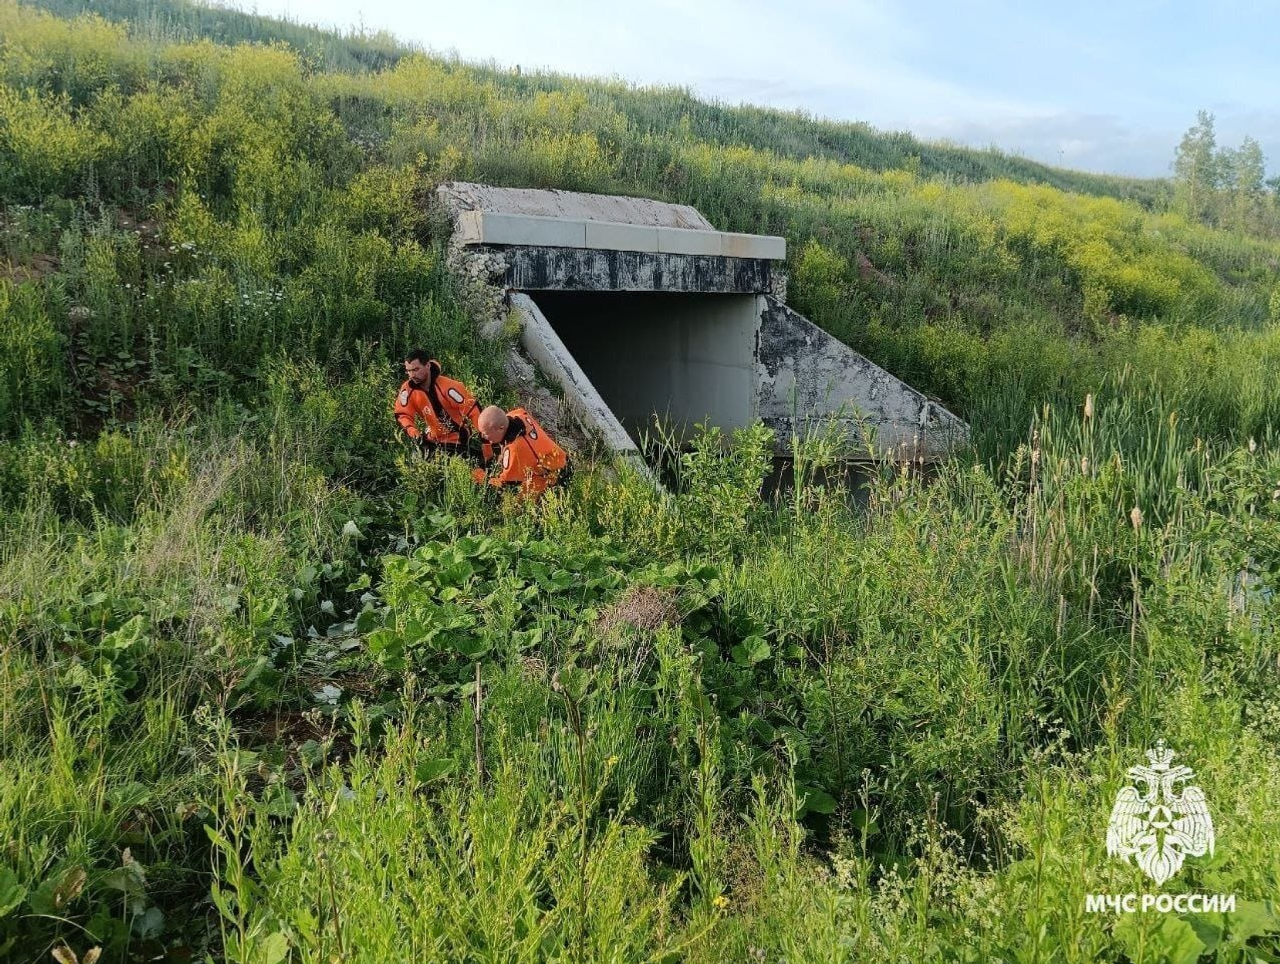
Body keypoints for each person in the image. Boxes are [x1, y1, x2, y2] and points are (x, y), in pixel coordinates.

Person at [394, 350, 482, 458]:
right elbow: (402, 415)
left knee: (472, 469)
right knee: (416, 464)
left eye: (416, 370)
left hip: (457, 439)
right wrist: (414, 434)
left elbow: (473, 410)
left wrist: (486, 441)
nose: (412, 375)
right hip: (431, 439)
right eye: (408, 371)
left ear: (427, 365)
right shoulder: (408, 389)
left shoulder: (448, 387)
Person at [475, 404, 568, 496]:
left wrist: (480, 476)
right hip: (559, 455)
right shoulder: (516, 415)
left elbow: (505, 485)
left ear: (501, 429)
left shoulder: (515, 450)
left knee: (516, 502)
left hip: (557, 473)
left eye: (486, 433)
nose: (483, 437)